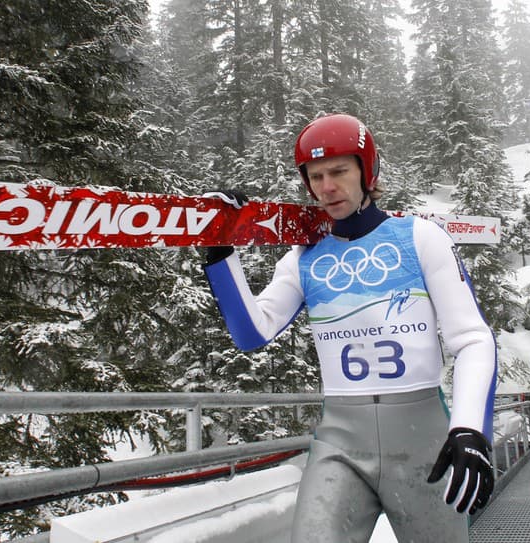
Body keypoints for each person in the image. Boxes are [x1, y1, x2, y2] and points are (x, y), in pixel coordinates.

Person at [203, 113, 498, 543]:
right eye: (316, 176)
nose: (326, 186)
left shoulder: (420, 237)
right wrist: (219, 253)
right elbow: (252, 333)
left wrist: (471, 429)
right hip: (340, 442)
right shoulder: (303, 257)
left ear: (368, 170)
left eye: (339, 171)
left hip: (425, 439)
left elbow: (472, 339)